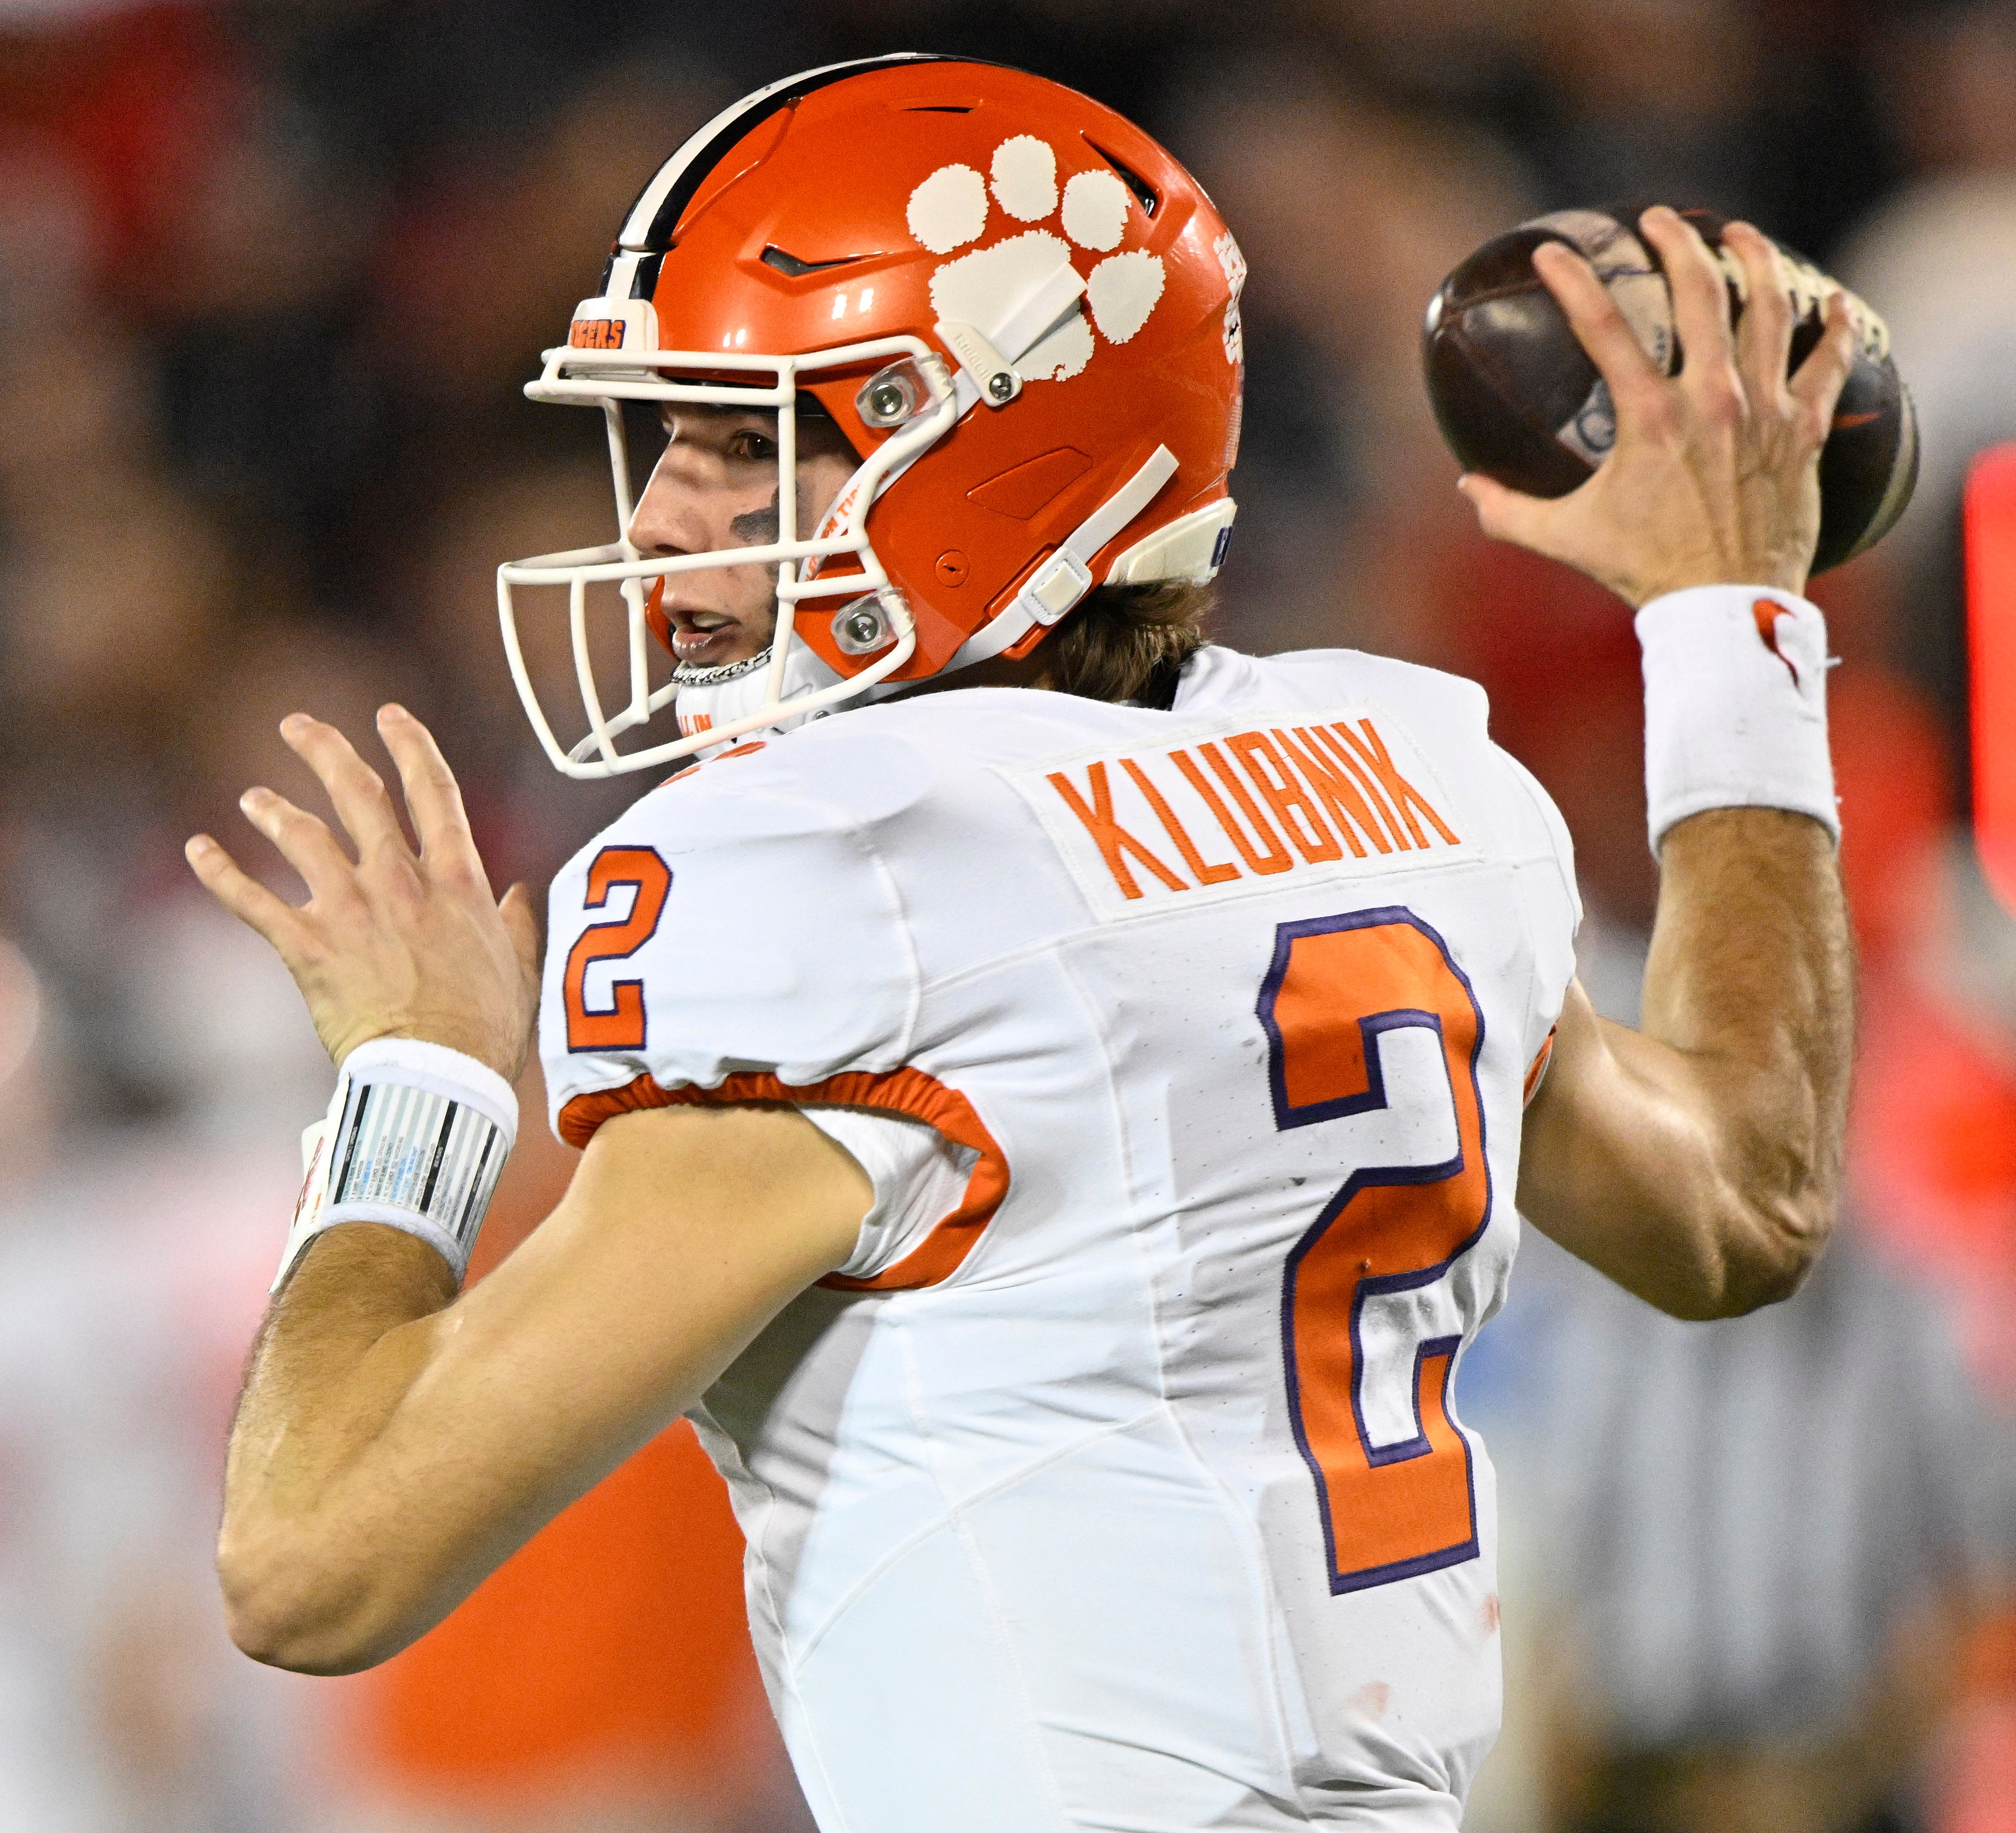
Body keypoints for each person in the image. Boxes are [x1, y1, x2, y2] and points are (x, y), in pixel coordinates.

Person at [185, 55, 1863, 1832]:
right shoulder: (1413, 795)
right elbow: (1741, 1204)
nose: (662, 518)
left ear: (995, 440)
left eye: (749, 442)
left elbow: (314, 1566)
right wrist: (1725, 621)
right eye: (665, 439)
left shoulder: (850, 877)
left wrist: (419, 1077)